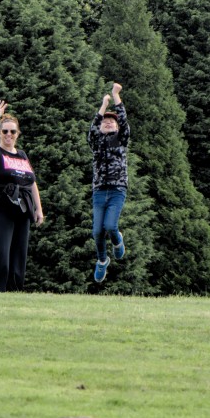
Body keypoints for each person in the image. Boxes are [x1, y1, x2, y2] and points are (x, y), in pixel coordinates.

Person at [0, 99, 44, 292]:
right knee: (0, 250)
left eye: (12, 131)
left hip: (23, 207)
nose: (9, 134)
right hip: (1, 205)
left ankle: (14, 290)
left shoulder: (22, 155)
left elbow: (31, 182)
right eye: (5, 131)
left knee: (19, 251)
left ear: (18, 134)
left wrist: (38, 209)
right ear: (0, 132)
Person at [88, 82, 129, 284]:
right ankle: (102, 260)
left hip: (117, 190)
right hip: (99, 191)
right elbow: (92, 130)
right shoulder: (96, 143)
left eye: (112, 122)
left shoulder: (120, 140)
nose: (108, 123)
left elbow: (124, 120)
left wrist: (115, 96)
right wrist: (103, 106)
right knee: (97, 231)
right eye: (105, 122)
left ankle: (117, 241)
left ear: (117, 127)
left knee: (111, 226)